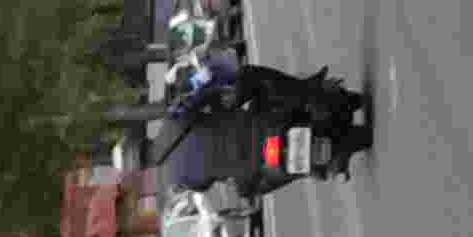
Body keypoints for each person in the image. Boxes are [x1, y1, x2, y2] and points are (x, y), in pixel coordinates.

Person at [147, 55, 371, 191]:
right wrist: (216, 97)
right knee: (249, 75)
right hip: (256, 126)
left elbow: (204, 184)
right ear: (147, 141)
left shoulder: (179, 178)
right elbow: (201, 95)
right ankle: (310, 89)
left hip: (255, 167)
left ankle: (318, 170)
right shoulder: (172, 122)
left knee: (256, 184)